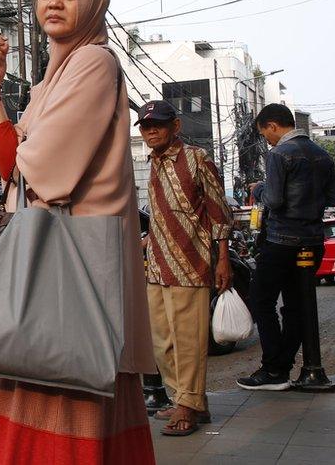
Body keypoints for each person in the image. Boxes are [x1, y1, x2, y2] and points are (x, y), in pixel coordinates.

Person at [0, 0, 156, 463]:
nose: (54, 1)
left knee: (71, 379)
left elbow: (42, 171)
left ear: (94, 1)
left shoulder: (94, 63)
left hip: (76, 258)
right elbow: (15, 164)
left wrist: (23, 149)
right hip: (61, 254)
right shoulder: (54, 77)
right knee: (48, 371)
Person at [138, 100, 233, 436]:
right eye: (145, 126)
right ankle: (190, 400)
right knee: (161, 341)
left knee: (189, 340)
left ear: (175, 126)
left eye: (158, 125)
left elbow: (220, 212)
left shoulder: (196, 159)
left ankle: (187, 407)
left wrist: (222, 258)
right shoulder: (152, 163)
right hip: (158, 265)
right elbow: (164, 212)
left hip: (191, 264)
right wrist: (148, 241)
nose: (151, 131)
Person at [238, 104, 335, 390]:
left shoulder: (279, 154)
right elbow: (331, 197)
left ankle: (273, 369)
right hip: (313, 240)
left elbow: (275, 201)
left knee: (260, 300)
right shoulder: (323, 154)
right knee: (297, 305)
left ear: (272, 126)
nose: (267, 140)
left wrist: (258, 189)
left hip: (281, 240)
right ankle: (283, 366)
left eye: (264, 133)